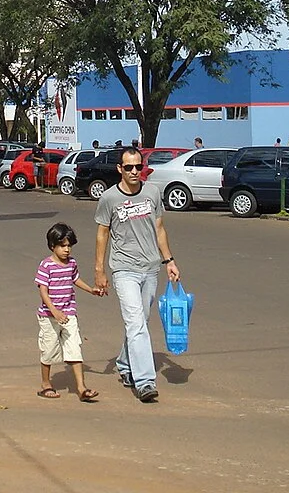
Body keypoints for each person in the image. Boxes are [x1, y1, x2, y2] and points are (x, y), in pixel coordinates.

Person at [94, 146, 180, 404]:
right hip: (123, 269)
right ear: (120, 169)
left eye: (137, 166)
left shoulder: (152, 192)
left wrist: (169, 261)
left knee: (139, 321)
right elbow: (102, 234)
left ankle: (124, 363)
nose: (134, 171)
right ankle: (145, 381)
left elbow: (160, 228)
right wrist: (99, 270)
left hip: (150, 267)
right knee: (135, 323)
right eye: (128, 167)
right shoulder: (109, 198)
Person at [35, 222, 102, 402]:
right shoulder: (46, 265)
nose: (67, 250)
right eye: (62, 245)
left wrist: (91, 290)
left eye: (69, 246)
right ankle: (45, 383)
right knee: (48, 350)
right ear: (52, 246)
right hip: (49, 316)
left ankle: (81, 388)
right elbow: (43, 291)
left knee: (74, 348)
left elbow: (75, 280)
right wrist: (54, 311)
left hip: (69, 312)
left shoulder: (71, 263)